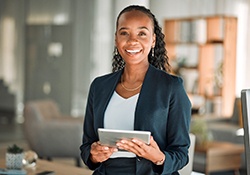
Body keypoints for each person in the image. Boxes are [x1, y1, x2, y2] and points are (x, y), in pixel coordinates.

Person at [80, 5, 191, 175]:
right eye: (124, 33)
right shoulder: (99, 86)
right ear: (116, 39)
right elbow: (87, 146)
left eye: (142, 33)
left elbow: (181, 153)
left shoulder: (171, 87)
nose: (132, 41)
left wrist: (158, 157)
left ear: (153, 40)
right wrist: (94, 155)